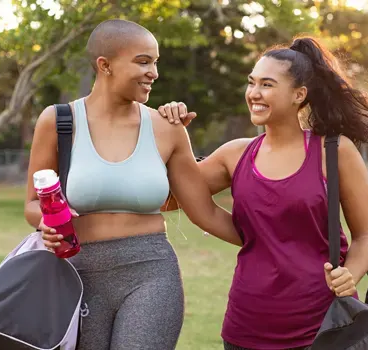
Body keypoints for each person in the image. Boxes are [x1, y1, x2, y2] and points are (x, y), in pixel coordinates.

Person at [25, 19, 241, 350]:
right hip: (77, 274)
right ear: (105, 65)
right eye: (143, 61)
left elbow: (204, 211)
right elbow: (31, 203)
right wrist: (44, 221)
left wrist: (270, 241)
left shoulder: (167, 127)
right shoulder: (58, 122)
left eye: (155, 62)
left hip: (151, 273)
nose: (153, 72)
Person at [159, 36, 368, 349]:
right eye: (252, 83)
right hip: (247, 327)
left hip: (325, 326)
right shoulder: (234, 155)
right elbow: (169, 198)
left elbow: (365, 236)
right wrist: (172, 135)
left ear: (298, 95)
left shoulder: (334, 151)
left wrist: (351, 274)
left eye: (267, 84)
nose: (254, 94)